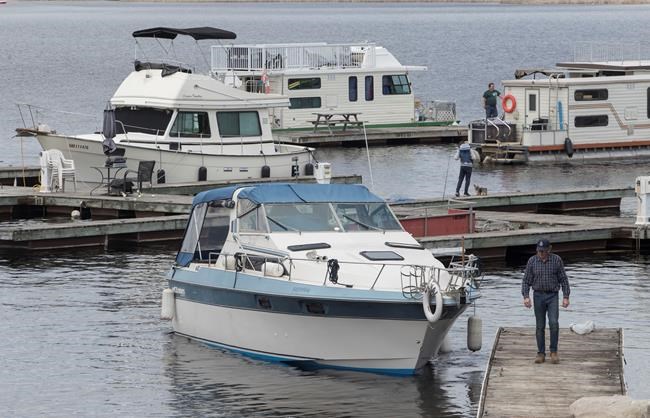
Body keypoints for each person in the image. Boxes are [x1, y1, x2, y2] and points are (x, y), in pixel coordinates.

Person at [521, 239, 571, 365]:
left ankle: (553, 351)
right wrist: (526, 296)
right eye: (539, 251)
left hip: (553, 295)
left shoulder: (556, 260)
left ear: (549, 249)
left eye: (543, 251)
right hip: (538, 295)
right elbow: (526, 280)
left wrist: (566, 296)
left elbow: (563, 279)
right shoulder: (532, 261)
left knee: (554, 323)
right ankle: (541, 353)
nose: (541, 253)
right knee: (540, 326)